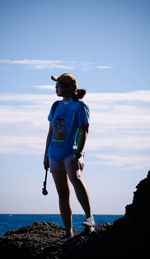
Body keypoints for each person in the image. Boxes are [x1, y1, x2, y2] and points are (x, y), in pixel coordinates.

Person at [43, 73, 95, 239]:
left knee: (76, 179)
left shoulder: (80, 106)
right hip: (54, 154)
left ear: (68, 87)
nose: (55, 87)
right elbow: (50, 132)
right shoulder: (55, 105)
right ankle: (68, 232)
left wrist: (79, 154)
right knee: (62, 193)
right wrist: (45, 155)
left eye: (58, 84)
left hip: (72, 152)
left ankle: (89, 218)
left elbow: (84, 130)